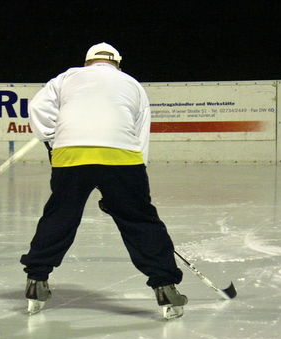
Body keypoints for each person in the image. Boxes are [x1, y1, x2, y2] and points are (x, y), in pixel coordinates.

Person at [21, 42, 187, 319]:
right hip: (121, 155)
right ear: (117, 64)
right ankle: (165, 287)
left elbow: (38, 108)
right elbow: (139, 132)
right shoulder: (131, 83)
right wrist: (128, 191)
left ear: (88, 62)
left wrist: (52, 139)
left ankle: (36, 280)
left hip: (70, 153)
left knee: (59, 216)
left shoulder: (66, 77)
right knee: (139, 221)